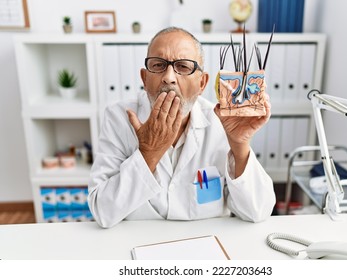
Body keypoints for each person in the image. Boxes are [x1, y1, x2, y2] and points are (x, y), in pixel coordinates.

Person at [88, 27, 276, 228]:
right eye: (158, 65)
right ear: (144, 78)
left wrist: (240, 145)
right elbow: (102, 211)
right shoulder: (119, 117)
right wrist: (148, 154)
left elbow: (257, 211)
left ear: (202, 83)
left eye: (183, 67)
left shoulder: (222, 120)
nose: (169, 77)